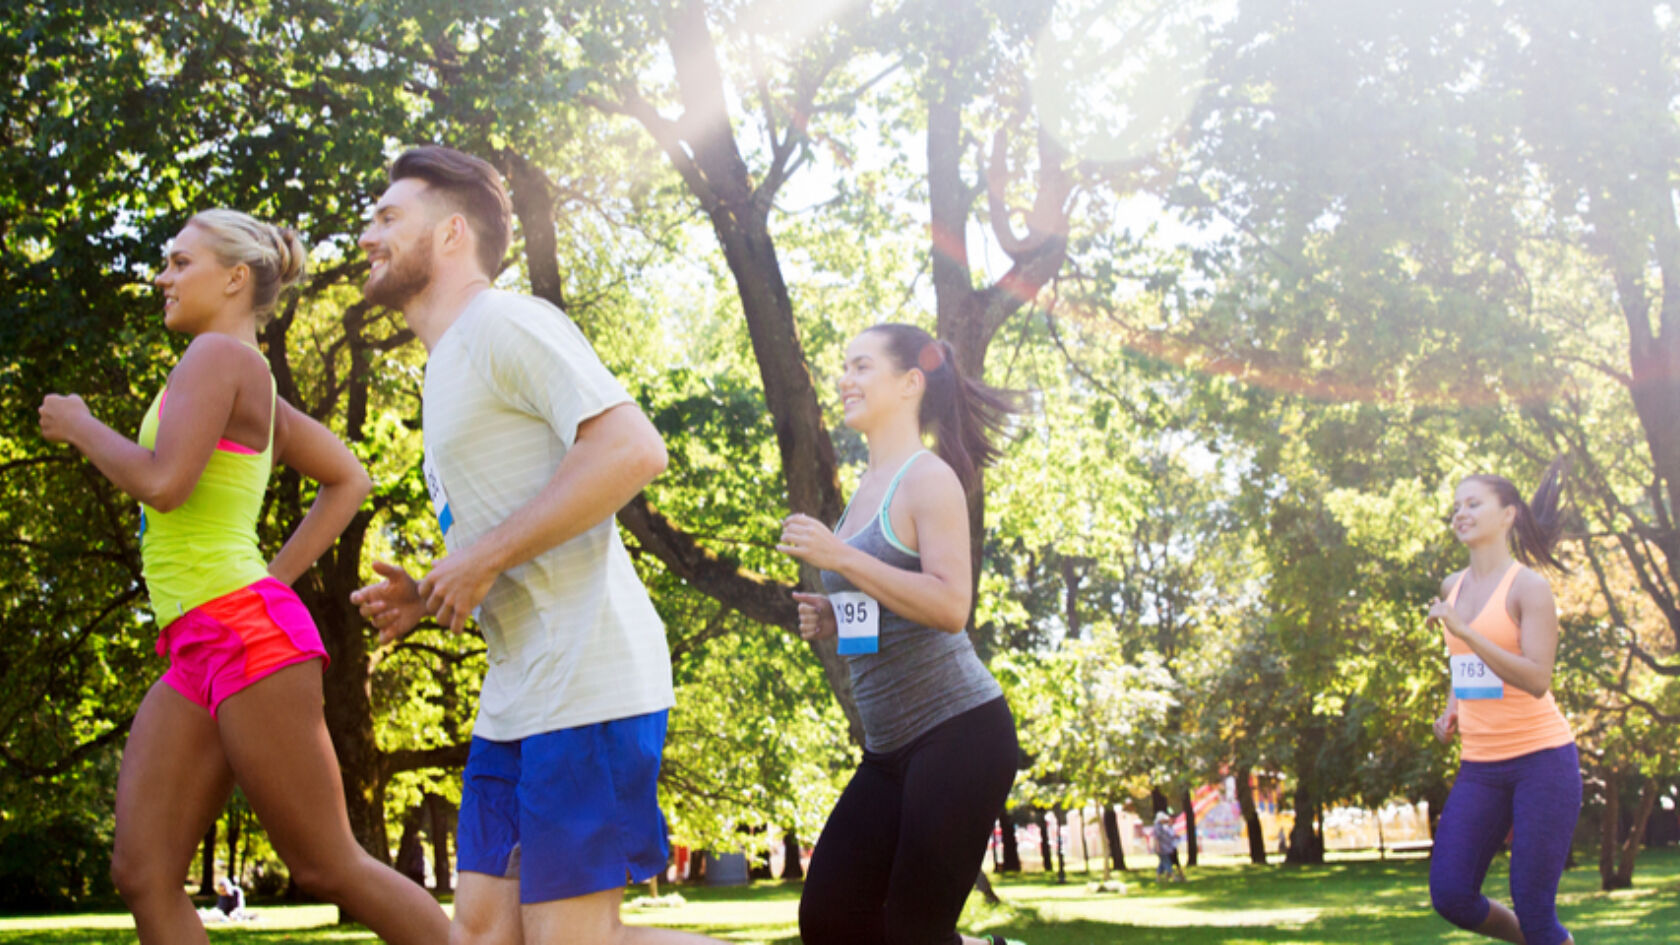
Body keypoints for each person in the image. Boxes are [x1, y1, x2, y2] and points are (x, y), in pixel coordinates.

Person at [37, 210, 450, 945]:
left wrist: (81, 424)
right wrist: (278, 582)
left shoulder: (216, 360)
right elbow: (347, 477)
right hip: (202, 639)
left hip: (241, 637)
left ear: (233, 278)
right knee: (143, 870)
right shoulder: (241, 373)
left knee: (327, 864)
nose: (162, 277)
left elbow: (164, 483)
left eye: (178, 262)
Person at [347, 146, 724, 945]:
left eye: (388, 217)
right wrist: (435, 587)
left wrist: (484, 557)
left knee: (573, 941)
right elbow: (510, 522)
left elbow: (631, 449)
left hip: (589, 677)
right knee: (483, 937)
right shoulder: (445, 365)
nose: (365, 232)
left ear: (452, 234)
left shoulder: (504, 321)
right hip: (519, 692)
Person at [779, 324, 1020, 945]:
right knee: (830, 920)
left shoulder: (927, 478)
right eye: (845, 367)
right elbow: (886, 618)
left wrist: (843, 560)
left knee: (915, 929)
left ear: (910, 383)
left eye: (861, 367)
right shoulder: (864, 491)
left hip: (958, 733)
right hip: (890, 752)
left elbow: (949, 606)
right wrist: (838, 620)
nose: (844, 380)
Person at [1426, 460, 1579, 945]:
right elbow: (1465, 662)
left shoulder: (1529, 589)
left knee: (1536, 910)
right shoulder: (1453, 586)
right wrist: (1453, 704)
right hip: (1481, 765)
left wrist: (1465, 629)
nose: (1460, 513)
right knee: (1451, 894)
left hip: (1542, 762)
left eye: (1473, 504)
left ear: (1508, 515)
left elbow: (1536, 678)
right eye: (1456, 506)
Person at [1152, 813, 1184, 882]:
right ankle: (1174, 877)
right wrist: (1158, 847)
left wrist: (1174, 837)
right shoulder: (1159, 827)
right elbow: (1157, 837)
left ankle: (1159, 878)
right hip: (1163, 848)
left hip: (1166, 848)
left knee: (1163, 863)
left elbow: (1167, 837)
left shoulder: (1161, 826)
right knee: (1167, 862)